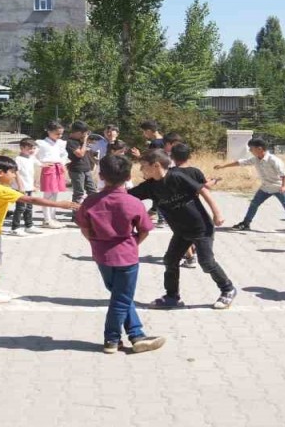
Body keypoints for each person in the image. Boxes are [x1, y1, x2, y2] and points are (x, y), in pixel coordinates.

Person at [75, 154, 167, 354]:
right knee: (121, 299)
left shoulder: (91, 201)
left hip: (102, 256)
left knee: (120, 296)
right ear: (128, 177)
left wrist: (95, 242)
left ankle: (136, 334)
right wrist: (133, 243)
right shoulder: (133, 202)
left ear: (101, 175)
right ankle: (111, 339)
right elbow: (145, 230)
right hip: (126, 256)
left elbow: (84, 228)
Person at [130, 150, 236, 310]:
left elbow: (203, 190)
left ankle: (228, 289)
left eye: (143, 166)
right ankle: (172, 297)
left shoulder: (176, 176)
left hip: (201, 228)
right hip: (181, 231)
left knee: (206, 262)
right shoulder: (149, 186)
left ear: (156, 165)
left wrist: (217, 213)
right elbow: (127, 196)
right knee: (170, 260)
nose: (140, 170)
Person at [0, 156, 78, 305]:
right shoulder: (2, 190)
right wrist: (59, 204)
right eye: (12, 172)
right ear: (0, 173)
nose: (14, 175)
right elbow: (31, 200)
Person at [215, 138, 285, 236]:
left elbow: (284, 174)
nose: (250, 150)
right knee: (254, 204)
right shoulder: (255, 159)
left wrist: (284, 186)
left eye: (251, 148)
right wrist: (223, 166)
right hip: (265, 187)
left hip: (278, 187)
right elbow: (240, 162)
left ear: (259, 149)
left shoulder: (274, 160)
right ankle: (246, 223)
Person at [169, 142, 220, 269]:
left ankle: (190, 258)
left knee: (182, 234)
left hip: (176, 209)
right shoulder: (195, 172)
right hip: (195, 209)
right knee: (194, 232)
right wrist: (215, 181)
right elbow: (205, 187)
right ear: (189, 156)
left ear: (172, 156)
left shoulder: (170, 173)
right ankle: (195, 254)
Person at [35, 121, 69, 229]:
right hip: (49, 168)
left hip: (58, 167)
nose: (60, 136)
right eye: (57, 133)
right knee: (48, 195)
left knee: (55, 194)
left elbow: (64, 154)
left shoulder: (61, 143)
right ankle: (47, 219)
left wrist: (62, 163)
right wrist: (41, 164)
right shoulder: (41, 143)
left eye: (61, 133)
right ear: (49, 132)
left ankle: (53, 217)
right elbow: (33, 155)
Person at [11, 138, 41, 236]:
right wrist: (20, 187)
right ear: (22, 148)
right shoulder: (18, 159)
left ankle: (29, 226)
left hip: (29, 187)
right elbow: (16, 174)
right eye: (29, 148)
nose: (32, 150)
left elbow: (34, 170)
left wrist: (34, 185)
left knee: (29, 207)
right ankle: (15, 228)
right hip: (20, 188)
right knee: (20, 208)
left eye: (33, 148)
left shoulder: (31, 158)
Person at [66, 121, 98, 205]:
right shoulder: (70, 142)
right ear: (78, 132)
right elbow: (80, 154)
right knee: (79, 193)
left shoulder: (81, 140)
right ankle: (75, 212)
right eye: (84, 133)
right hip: (76, 170)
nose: (85, 135)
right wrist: (85, 142)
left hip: (86, 169)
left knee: (92, 191)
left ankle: (91, 210)